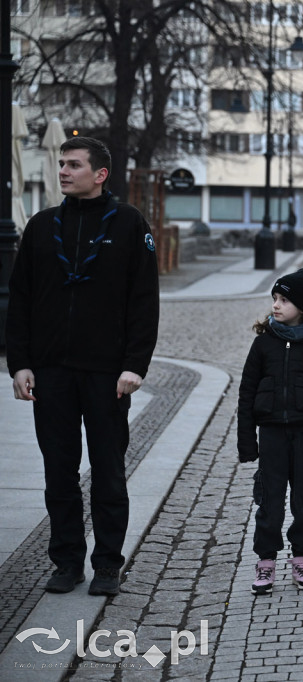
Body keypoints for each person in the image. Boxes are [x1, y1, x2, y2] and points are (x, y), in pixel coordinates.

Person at [6, 136, 160, 597]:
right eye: (61, 164)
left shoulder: (130, 224)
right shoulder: (40, 226)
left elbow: (144, 301)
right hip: (52, 372)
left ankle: (108, 565)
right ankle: (67, 561)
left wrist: (135, 365)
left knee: (109, 471)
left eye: (74, 164)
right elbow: (21, 301)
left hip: (106, 374)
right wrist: (20, 364)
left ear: (101, 174)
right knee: (59, 471)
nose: (63, 171)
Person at [237, 268, 303, 595]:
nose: (276, 305)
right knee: (269, 501)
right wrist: (246, 441)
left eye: (284, 300)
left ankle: (301, 558)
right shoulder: (263, 345)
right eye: (274, 299)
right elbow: (247, 392)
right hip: (271, 435)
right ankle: (265, 562)